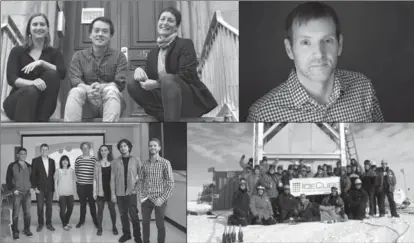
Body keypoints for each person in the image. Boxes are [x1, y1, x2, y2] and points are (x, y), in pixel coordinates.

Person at [247, 1, 383, 122]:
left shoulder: (363, 88)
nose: (319, 53)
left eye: (327, 40)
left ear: (339, 45)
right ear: (289, 49)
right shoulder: (262, 115)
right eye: (306, 42)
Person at [127, 7, 218, 121]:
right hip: (161, 102)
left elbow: (188, 74)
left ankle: (171, 125)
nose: (164, 23)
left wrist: (157, 83)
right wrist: (139, 71)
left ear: (176, 27)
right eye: (162, 19)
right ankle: (161, 114)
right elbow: (149, 77)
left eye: (170, 20)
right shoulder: (153, 53)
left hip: (185, 99)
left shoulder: (185, 44)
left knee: (168, 79)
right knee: (132, 83)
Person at [3, 13, 66, 122]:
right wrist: (32, 83)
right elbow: (11, 78)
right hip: (17, 102)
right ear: (29, 30)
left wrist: (42, 63)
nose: (38, 27)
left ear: (47, 30)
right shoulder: (18, 51)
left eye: (42, 24)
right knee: (31, 91)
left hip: (42, 106)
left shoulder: (54, 53)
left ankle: (41, 122)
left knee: (52, 74)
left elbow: (62, 73)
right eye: (35, 24)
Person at [64, 17, 128, 122]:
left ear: (110, 36)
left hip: (110, 102)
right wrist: (88, 89)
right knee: (75, 91)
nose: (100, 34)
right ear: (90, 34)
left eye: (105, 31)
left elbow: (120, 82)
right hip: (87, 104)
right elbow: (75, 80)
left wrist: (102, 87)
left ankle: (109, 134)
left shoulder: (119, 56)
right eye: (96, 30)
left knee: (111, 90)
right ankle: (70, 135)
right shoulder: (79, 56)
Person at [139, 138, 174, 243]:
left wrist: (162, 198)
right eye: (150, 145)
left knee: (160, 224)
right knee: (145, 223)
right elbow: (141, 180)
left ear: (159, 148)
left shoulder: (165, 163)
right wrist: (141, 194)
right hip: (146, 199)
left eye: (155, 145)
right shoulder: (145, 164)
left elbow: (170, 183)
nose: (152, 147)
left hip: (159, 199)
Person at [111, 139, 142, 243]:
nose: (123, 148)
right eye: (121, 146)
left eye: (125, 146)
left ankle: (137, 237)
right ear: (119, 149)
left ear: (129, 147)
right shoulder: (115, 162)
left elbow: (142, 176)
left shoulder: (136, 160)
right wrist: (113, 194)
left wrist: (136, 188)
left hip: (131, 193)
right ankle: (126, 234)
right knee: (123, 214)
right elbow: (112, 179)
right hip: (120, 193)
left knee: (134, 215)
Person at [6, 147, 33, 240]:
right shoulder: (12, 165)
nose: (23, 155)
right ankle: (15, 231)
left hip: (27, 193)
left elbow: (32, 179)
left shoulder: (29, 166)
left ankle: (27, 229)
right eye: (21, 154)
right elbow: (8, 179)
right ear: (18, 155)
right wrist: (13, 190)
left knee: (28, 213)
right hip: (17, 193)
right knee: (16, 213)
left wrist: (32, 188)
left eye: (25, 154)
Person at [93, 145, 118, 236]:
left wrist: (115, 193)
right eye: (101, 150)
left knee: (112, 210)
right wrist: (94, 192)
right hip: (100, 191)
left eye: (105, 150)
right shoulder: (97, 163)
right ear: (100, 152)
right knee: (100, 211)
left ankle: (114, 226)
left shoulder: (113, 163)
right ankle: (99, 228)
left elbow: (116, 178)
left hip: (111, 191)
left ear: (108, 151)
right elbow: (94, 179)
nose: (103, 152)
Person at [31, 143, 56, 232]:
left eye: (46, 149)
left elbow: (52, 174)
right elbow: (33, 175)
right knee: (40, 207)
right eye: (42, 149)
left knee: (49, 207)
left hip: (50, 189)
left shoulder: (52, 161)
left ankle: (49, 224)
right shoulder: (35, 160)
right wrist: (34, 187)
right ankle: (40, 224)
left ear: (48, 150)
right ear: (40, 151)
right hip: (39, 189)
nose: (44, 151)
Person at [74, 142, 99, 228]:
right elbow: (76, 171)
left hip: (91, 186)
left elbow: (96, 172)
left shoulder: (94, 159)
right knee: (82, 204)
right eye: (83, 148)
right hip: (81, 186)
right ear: (81, 149)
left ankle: (96, 221)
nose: (85, 149)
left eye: (87, 147)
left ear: (89, 148)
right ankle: (81, 221)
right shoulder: (78, 159)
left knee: (92, 204)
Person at [55, 155, 76, 230]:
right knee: (62, 210)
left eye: (66, 160)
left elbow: (73, 182)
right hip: (61, 194)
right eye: (63, 160)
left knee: (70, 209)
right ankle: (64, 224)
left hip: (70, 193)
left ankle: (66, 221)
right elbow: (55, 183)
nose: (65, 161)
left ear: (68, 162)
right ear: (61, 162)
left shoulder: (71, 170)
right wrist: (57, 194)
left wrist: (74, 192)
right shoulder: (58, 170)